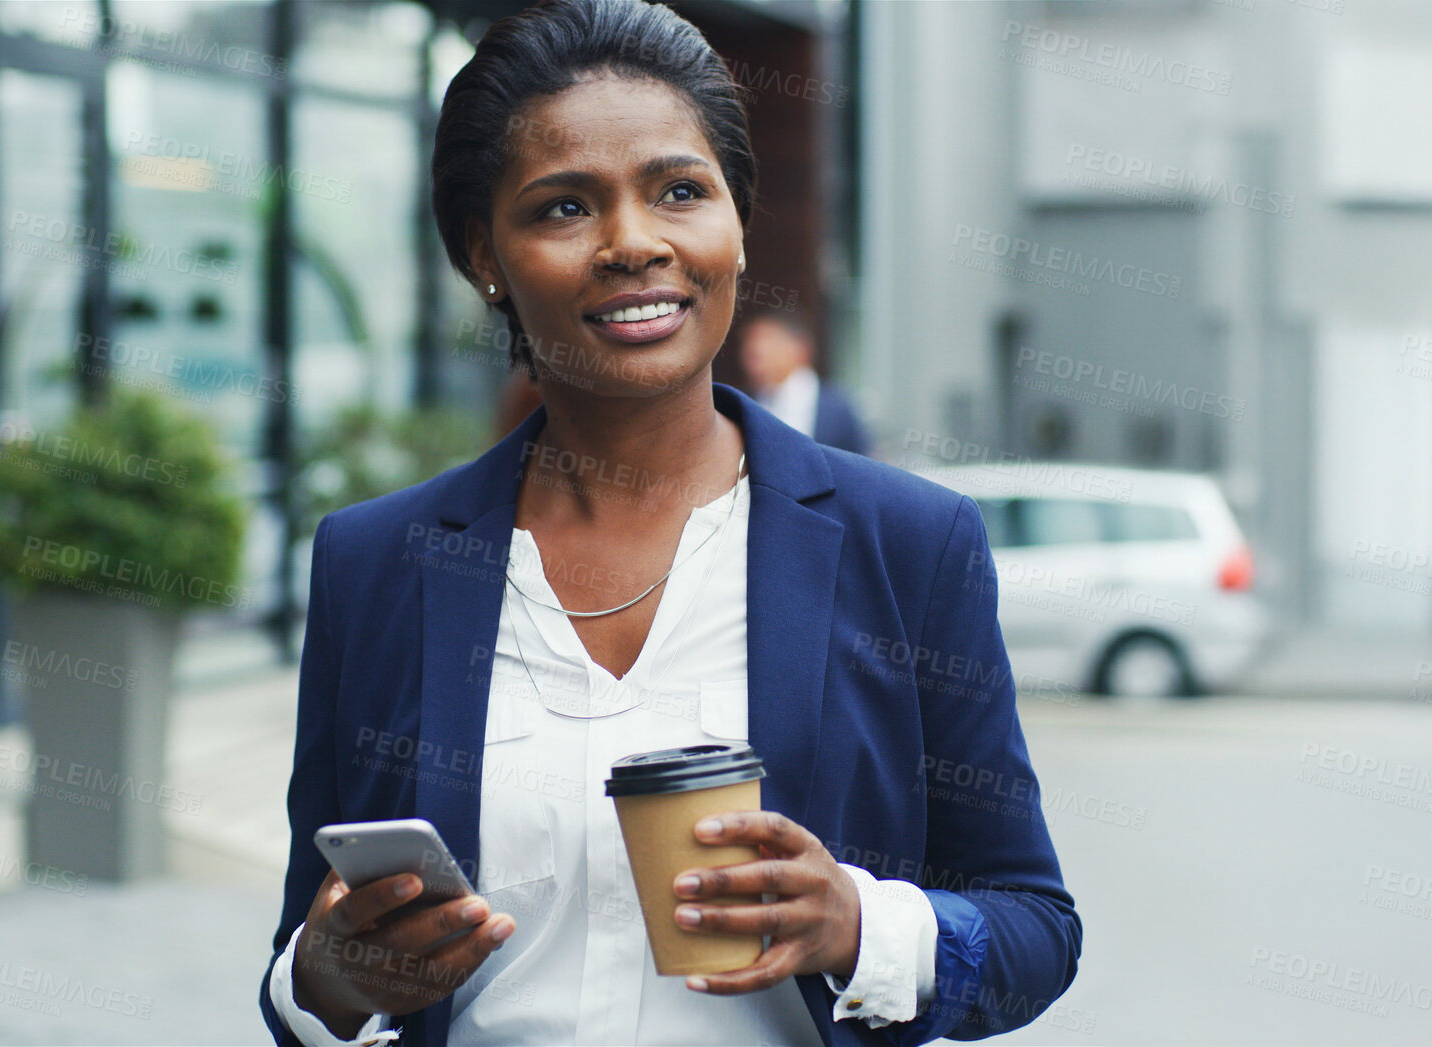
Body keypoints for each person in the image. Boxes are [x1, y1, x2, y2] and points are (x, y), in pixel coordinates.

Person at [259, 2, 1080, 1044]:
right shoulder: (376, 562)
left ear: (737, 221)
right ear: (485, 256)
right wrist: (322, 982)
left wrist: (857, 922)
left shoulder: (909, 545)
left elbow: (1033, 935)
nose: (633, 242)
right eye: (564, 208)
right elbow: (308, 963)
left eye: (680, 192)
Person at [736, 311, 871, 455]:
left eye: (769, 339)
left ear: (801, 347)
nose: (756, 349)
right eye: (749, 341)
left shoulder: (837, 407)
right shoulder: (742, 403)